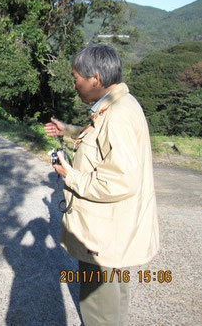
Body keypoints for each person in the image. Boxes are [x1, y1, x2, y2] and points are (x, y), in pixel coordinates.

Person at [44, 44, 159, 326]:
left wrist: (69, 174)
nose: (74, 85)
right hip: (113, 232)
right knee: (113, 301)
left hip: (105, 235)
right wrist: (69, 132)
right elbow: (101, 144)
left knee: (99, 311)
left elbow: (119, 180)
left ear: (95, 78)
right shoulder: (119, 105)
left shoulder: (117, 115)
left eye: (76, 78)